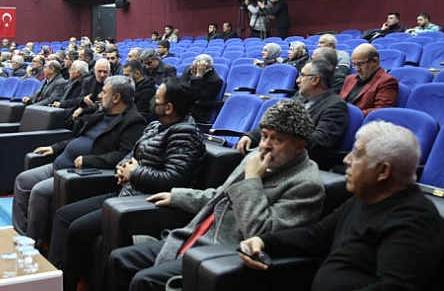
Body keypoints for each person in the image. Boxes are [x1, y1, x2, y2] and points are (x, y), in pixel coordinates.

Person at [108, 100, 325, 291]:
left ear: (299, 146)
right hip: (198, 234)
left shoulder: (306, 185)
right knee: (120, 259)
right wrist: (178, 196)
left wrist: (251, 181)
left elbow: (261, 235)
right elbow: (220, 194)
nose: (265, 146)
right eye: (265, 136)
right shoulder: (253, 159)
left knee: (144, 281)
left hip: (221, 253)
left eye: (277, 139)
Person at [239, 121, 444, 291]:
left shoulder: (414, 223)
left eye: (357, 154)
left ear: (383, 171)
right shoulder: (364, 200)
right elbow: (315, 237)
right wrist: (265, 241)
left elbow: (393, 287)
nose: (346, 160)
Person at [48, 79, 205, 291]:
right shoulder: (155, 125)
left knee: (77, 229)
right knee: (64, 215)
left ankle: (66, 285)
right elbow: (131, 154)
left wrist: (134, 173)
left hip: (143, 204)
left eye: (157, 99)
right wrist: (123, 169)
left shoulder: (185, 134)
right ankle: (54, 278)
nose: (151, 101)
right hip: (125, 192)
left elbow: (174, 179)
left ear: (168, 108)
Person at [13, 76, 148, 246]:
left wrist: (89, 160)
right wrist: (55, 148)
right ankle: (21, 234)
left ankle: (32, 245)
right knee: (22, 180)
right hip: (59, 165)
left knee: (39, 191)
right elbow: (78, 138)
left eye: (104, 92)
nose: (99, 95)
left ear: (116, 97)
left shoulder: (134, 122)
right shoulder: (101, 114)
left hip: (77, 173)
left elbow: (123, 155)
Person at [239, 59, 348, 170]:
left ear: (315, 80)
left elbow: (320, 141)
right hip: (278, 153)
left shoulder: (335, 106)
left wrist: (282, 141)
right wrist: (251, 136)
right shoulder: (298, 99)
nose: (297, 81)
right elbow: (273, 124)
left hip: (301, 163)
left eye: (302, 75)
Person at [339, 44, 398, 116]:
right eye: (354, 65)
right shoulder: (349, 79)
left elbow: (380, 111)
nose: (357, 69)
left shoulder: (387, 81)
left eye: (360, 64)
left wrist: (348, 114)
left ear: (375, 61)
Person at [179, 54, 223, 123]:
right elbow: (179, 86)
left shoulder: (215, 81)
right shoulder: (190, 69)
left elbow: (196, 96)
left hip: (197, 112)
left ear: (207, 69)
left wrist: (198, 76)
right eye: (193, 65)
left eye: (196, 68)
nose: (192, 69)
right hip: (183, 105)